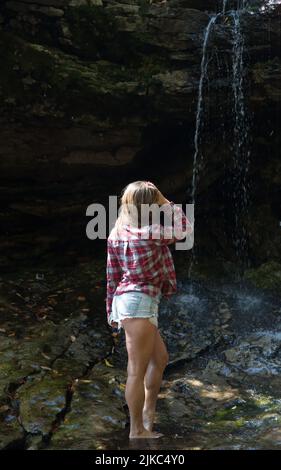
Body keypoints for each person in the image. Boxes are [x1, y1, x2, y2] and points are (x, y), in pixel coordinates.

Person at [106, 181, 193, 439]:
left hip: (130, 300)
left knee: (161, 358)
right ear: (150, 206)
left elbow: (112, 275)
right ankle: (136, 431)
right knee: (136, 370)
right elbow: (184, 229)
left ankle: (147, 414)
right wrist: (167, 202)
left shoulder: (117, 232)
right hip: (139, 302)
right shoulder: (152, 232)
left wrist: (110, 308)